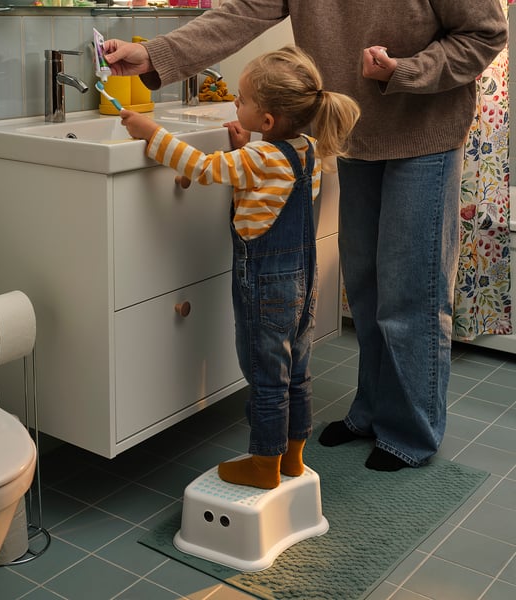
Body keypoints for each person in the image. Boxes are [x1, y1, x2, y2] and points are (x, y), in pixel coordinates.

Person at [104, 1, 508, 471]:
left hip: (424, 134)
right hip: (356, 134)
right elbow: (243, 12)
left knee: (410, 295)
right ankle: (372, 412)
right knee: (363, 285)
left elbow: (484, 34)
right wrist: (155, 54)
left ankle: (410, 430)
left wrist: (406, 71)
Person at [120, 45, 360, 489]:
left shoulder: (258, 158)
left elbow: (203, 167)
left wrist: (150, 133)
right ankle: (291, 458)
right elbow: (267, 192)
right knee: (296, 372)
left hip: (265, 284)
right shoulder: (305, 149)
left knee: (266, 376)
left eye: (243, 99)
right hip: (304, 281)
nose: (235, 101)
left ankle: (262, 466)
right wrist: (247, 146)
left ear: (267, 121)